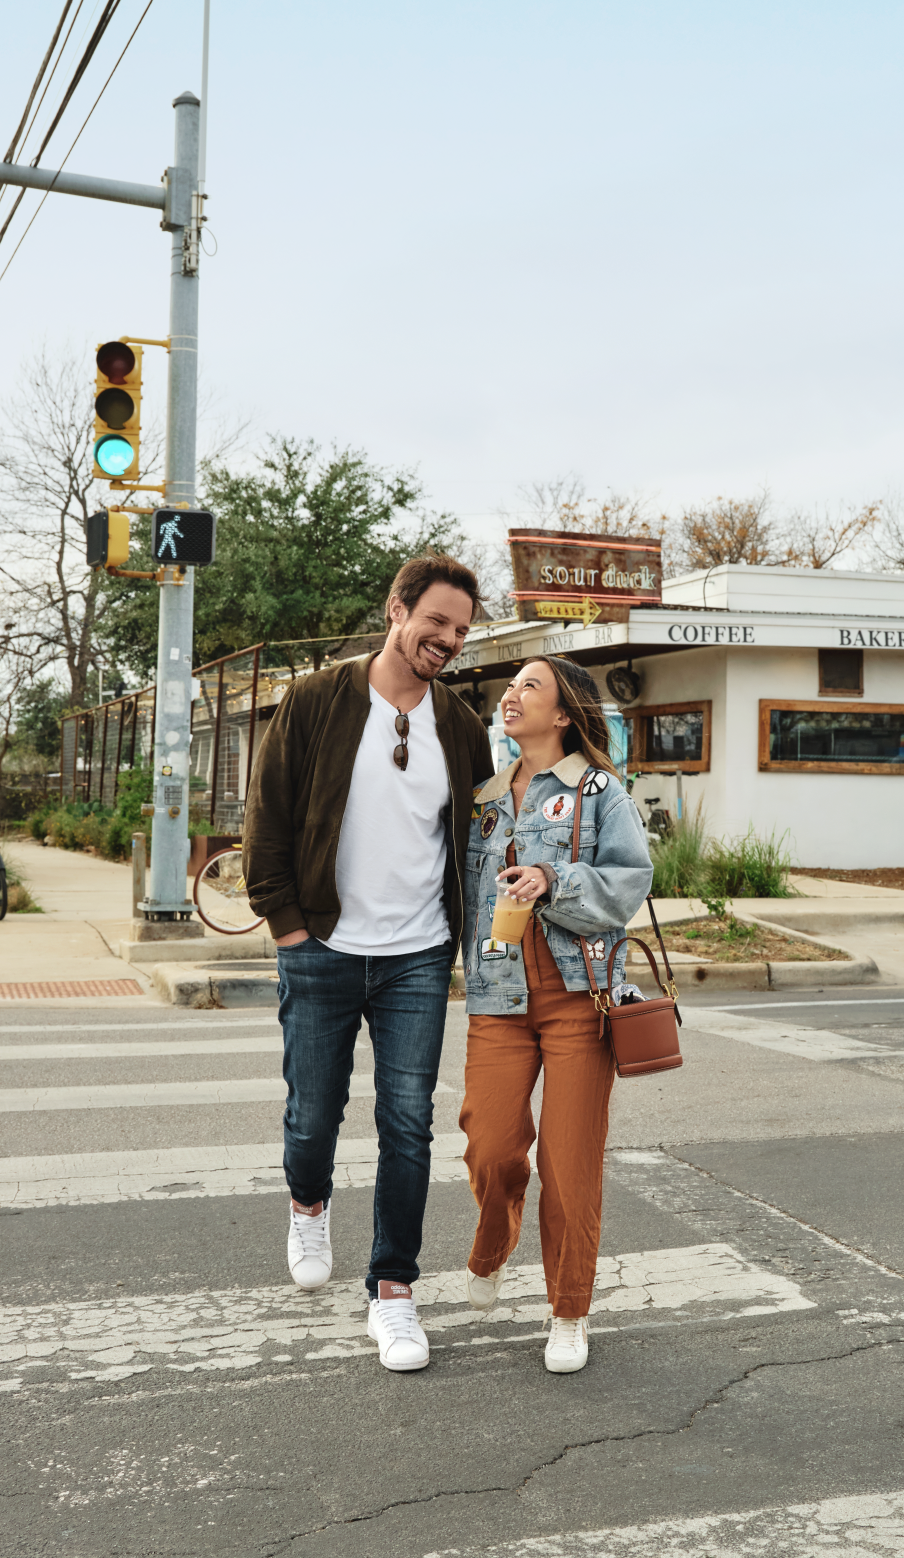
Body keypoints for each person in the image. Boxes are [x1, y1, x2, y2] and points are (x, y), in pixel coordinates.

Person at [240, 554, 494, 1372]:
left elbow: (480, 839)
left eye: (461, 629)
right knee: (313, 1117)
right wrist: (284, 924)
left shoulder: (458, 724)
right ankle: (308, 1201)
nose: (449, 639)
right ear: (397, 610)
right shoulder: (317, 699)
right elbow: (267, 812)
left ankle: (393, 1293)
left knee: (408, 1127)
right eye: (438, 622)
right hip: (320, 946)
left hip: (416, 957)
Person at [458, 655, 653, 1374]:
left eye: (529, 687)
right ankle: (492, 1247)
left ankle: (569, 1309)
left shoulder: (601, 790)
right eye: (510, 688)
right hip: (498, 997)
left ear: (564, 712)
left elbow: (630, 882)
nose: (511, 696)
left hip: (580, 999)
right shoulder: (483, 795)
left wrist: (554, 878)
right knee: (492, 1146)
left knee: (570, 1168)